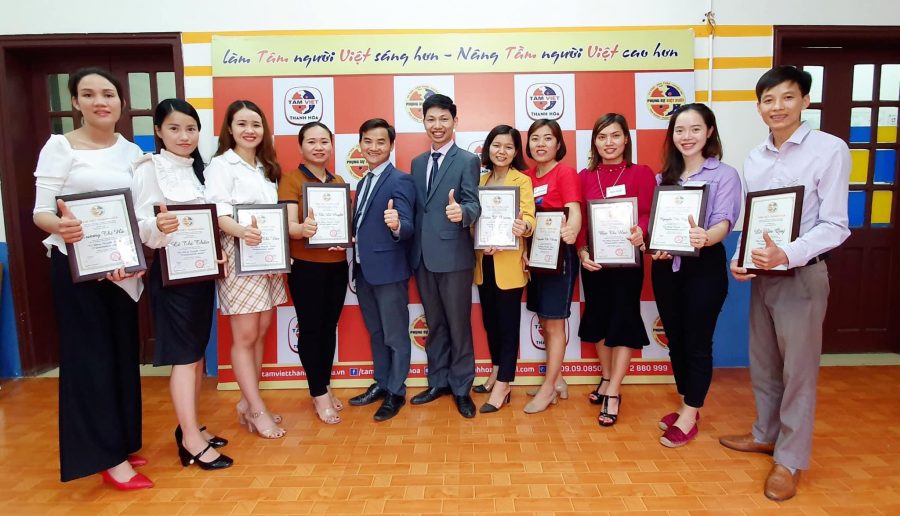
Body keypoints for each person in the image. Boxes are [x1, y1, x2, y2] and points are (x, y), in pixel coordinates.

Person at [719, 66, 850, 502]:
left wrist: (788, 253)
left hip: (802, 274)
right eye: (768, 100)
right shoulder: (755, 157)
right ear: (759, 107)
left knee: (799, 371)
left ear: (805, 101)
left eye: (787, 97)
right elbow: (756, 219)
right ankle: (765, 434)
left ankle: (790, 459)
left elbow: (836, 224)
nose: (777, 107)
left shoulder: (829, 150)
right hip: (763, 275)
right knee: (764, 363)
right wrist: (741, 258)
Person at [32, 67, 151, 489]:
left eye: (108, 94)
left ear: (120, 102)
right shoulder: (60, 147)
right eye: (89, 94)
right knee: (91, 360)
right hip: (76, 268)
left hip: (120, 271)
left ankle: (122, 441)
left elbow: (138, 214)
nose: (100, 101)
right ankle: (106, 459)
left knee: (121, 356)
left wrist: (139, 254)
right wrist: (60, 226)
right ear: (76, 102)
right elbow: (41, 212)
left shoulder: (131, 151)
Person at [131, 98, 233, 470]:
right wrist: (156, 226)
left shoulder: (198, 170)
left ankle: (191, 427)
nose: (184, 136)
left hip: (200, 275)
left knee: (196, 355)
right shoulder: (149, 169)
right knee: (185, 357)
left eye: (191, 129)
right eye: (174, 128)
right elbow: (140, 225)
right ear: (159, 131)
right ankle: (191, 441)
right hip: (171, 277)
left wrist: (214, 255)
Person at [649, 103, 741, 448]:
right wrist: (653, 244)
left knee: (698, 342)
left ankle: (689, 414)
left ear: (709, 132)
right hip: (667, 268)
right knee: (676, 339)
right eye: (680, 130)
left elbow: (724, 222)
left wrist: (706, 236)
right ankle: (688, 402)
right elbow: (658, 228)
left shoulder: (725, 175)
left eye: (695, 129)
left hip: (704, 268)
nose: (686, 136)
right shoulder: (664, 179)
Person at [205, 100, 287, 438]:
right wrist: (242, 232)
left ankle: (246, 402)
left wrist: (274, 251)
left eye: (255, 124)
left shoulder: (265, 167)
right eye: (242, 124)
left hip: (266, 256)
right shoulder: (221, 165)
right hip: (239, 254)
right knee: (245, 335)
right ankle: (256, 410)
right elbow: (217, 213)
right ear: (230, 128)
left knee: (261, 329)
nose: (249, 130)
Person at [576, 113, 655, 426]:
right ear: (594, 142)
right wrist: (581, 251)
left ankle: (613, 391)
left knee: (623, 320)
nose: (609, 142)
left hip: (627, 263)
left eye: (615, 135)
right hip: (595, 264)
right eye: (602, 136)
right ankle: (607, 377)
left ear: (626, 139)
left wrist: (641, 231)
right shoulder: (584, 176)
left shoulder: (641, 173)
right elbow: (580, 221)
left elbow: (648, 213)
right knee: (597, 319)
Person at [407, 94, 482, 418]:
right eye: (431, 119)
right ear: (424, 122)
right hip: (423, 258)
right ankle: (438, 382)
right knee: (435, 324)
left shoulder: (467, 160)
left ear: (454, 121)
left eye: (443, 119)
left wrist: (462, 212)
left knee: (458, 325)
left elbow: (474, 203)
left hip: (454, 257)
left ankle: (462, 388)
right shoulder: (417, 163)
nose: (437, 125)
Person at [345, 118, 416, 422]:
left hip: (389, 271)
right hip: (364, 271)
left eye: (381, 142)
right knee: (376, 332)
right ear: (360, 144)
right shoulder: (364, 181)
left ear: (391, 145)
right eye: (368, 141)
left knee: (395, 336)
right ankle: (383, 383)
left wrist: (397, 225)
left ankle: (396, 392)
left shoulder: (400, 180)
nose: (373, 147)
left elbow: (408, 226)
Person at [278, 122, 348, 424]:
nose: (319, 147)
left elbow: (342, 222)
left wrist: (343, 235)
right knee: (310, 329)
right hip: (306, 267)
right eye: (311, 141)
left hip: (337, 264)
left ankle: (325, 384)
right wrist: (302, 230)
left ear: (331, 145)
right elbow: (288, 226)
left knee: (328, 327)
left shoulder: (338, 180)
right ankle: (318, 393)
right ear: (301, 146)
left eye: (324, 141)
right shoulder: (291, 180)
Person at [472, 125, 535, 413]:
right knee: (491, 322)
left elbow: (529, 217)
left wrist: (524, 227)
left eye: (508, 147)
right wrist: (476, 232)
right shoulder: (480, 181)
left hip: (509, 263)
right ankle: (496, 370)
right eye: (497, 145)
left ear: (516, 151)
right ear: (488, 148)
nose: (502, 151)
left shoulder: (522, 180)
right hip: (484, 262)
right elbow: (475, 219)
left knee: (508, 326)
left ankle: (504, 384)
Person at [522, 119, 582, 414]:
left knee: (555, 323)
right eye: (535, 138)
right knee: (544, 322)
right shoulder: (525, 177)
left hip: (560, 256)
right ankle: (558, 380)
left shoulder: (565, 173)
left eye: (548, 138)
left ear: (558, 144)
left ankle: (547, 390)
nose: (541, 144)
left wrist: (572, 230)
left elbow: (575, 210)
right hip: (535, 257)